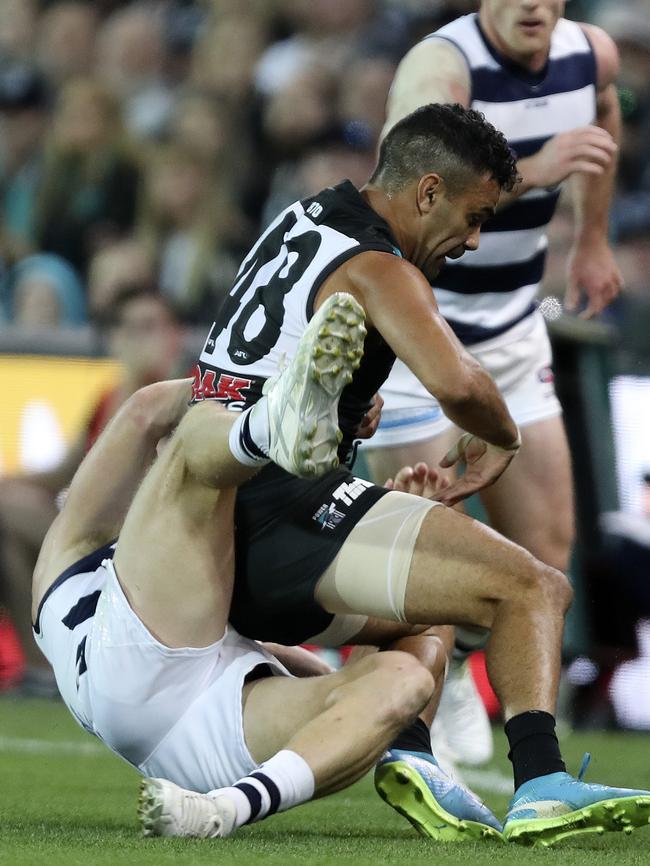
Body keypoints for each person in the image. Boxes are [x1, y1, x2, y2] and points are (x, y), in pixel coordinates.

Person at [192, 103, 650, 846]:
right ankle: (542, 784)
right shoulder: (379, 264)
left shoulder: (303, 218)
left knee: (427, 596)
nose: (473, 239)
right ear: (428, 191)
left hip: (208, 528)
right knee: (535, 586)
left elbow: (257, 364)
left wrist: (346, 412)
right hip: (278, 523)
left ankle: (411, 754)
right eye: (473, 217)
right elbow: (459, 383)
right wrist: (501, 436)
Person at [31, 294, 451, 841]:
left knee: (406, 675)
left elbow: (338, 688)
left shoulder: (81, 558)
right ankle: (270, 419)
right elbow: (147, 414)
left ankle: (223, 811)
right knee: (197, 445)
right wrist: (283, 391)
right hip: (145, 672)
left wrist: (394, 560)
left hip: (194, 746)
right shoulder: (86, 549)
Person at [362, 0, 623, 767]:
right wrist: (536, 169)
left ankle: (528, 731)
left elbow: (602, 124)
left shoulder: (592, 55)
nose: (534, 6)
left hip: (514, 325)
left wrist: (593, 238)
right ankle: (432, 697)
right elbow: (404, 187)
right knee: (419, 536)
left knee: (545, 541)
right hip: (421, 326)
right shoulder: (443, 67)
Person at [0, 286, 184, 695]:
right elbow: (66, 469)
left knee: (10, 508)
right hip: (98, 539)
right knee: (8, 521)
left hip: (143, 546)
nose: (149, 339)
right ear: (117, 339)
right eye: (138, 329)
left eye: (156, 327)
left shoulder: (177, 401)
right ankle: (42, 670)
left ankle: (49, 669)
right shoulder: (110, 399)